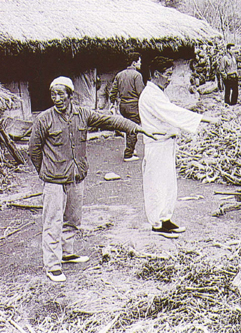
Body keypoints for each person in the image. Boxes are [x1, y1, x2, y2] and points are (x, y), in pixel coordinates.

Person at [29, 77, 158, 282]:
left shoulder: (83, 114)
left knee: (72, 219)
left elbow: (109, 120)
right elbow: (33, 150)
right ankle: (52, 265)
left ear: (71, 95)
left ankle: (67, 252)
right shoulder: (44, 119)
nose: (57, 98)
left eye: (61, 94)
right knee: (52, 221)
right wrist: (44, 173)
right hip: (54, 179)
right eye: (53, 94)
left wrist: (135, 127)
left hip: (76, 176)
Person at [139, 57, 220, 238]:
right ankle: (157, 223)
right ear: (156, 74)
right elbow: (173, 113)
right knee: (156, 184)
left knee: (168, 184)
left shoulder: (158, 93)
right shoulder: (150, 95)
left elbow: (171, 111)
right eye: (167, 75)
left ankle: (166, 218)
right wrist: (204, 118)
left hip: (166, 144)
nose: (169, 79)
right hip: (157, 145)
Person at [109, 53, 145, 161]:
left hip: (123, 106)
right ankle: (128, 154)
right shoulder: (137, 75)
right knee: (133, 129)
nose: (140, 63)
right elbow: (140, 92)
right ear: (134, 63)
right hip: (133, 105)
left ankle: (131, 148)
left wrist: (112, 102)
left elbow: (113, 91)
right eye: (139, 61)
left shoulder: (119, 75)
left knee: (127, 127)